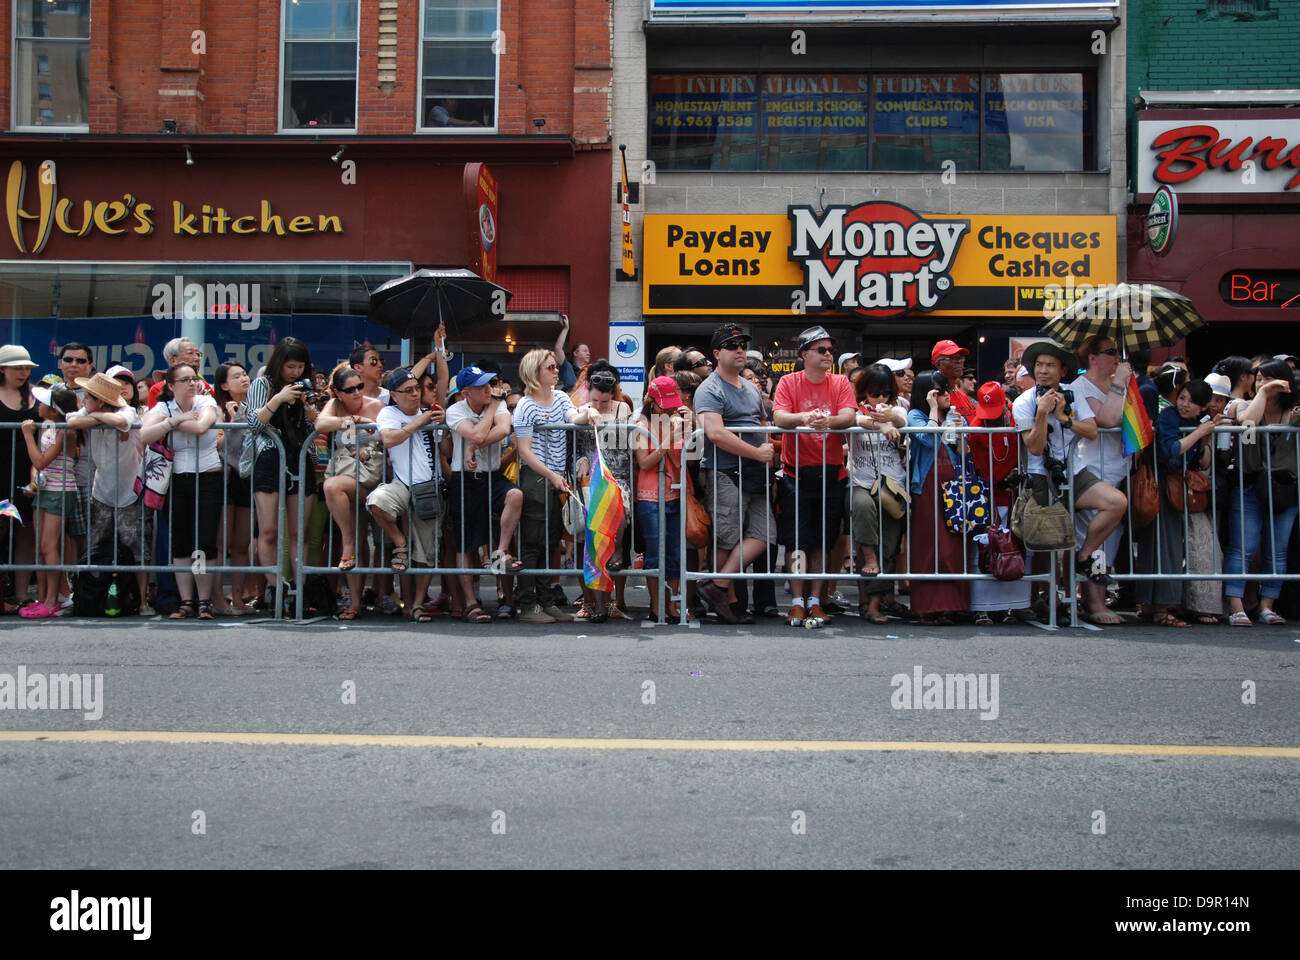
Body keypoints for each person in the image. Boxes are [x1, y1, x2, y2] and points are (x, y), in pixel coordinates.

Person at [1012, 340, 1127, 609]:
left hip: (1074, 470)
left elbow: (1091, 430)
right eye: (1039, 365)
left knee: (1116, 502)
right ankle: (1048, 599)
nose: (1043, 370)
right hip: (1041, 475)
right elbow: (1036, 447)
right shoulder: (1023, 402)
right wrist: (1042, 413)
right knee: (1048, 540)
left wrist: (1064, 417)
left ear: (1063, 371)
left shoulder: (1070, 393)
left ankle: (1085, 556)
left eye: (1050, 365)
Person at [693, 324, 778, 625]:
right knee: (726, 539)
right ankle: (724, 599)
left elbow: (763, 423)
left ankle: (716, 585)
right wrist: (757, 452)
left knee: (765, 534)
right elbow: (714, 433)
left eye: (742, 344)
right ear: (717, 354)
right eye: (732, 345)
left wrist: (766, 451)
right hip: (726, 471)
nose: (740, 349)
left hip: (755, 471)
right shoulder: (709, 389)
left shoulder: (752, 387)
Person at [772, 325, 856, 628]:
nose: (828, 354)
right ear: (804, 354)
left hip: (832, 473)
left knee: (823, 541)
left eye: (830, 350)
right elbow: (779, 417)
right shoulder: (788, 381)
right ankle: (796, 602)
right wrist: (805, 418)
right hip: (796, 474)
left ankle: (816, 601)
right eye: (821, 350)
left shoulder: (841, 381)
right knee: (797, 542)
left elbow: (849, 416)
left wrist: (829, 421)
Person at [512, 348, 597, 623]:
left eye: (555, 367)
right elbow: (524, 451)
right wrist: (550, 475)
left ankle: (546, 601)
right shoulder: (525, 405)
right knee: (532, 542)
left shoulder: (560, 397)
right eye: (550, 367)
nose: (556, 370)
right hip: (537, 478)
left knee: (551, 541)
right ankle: (527, 604)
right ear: (535, 372)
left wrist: (589, 413)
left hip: (557, 476)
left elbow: (573, 418)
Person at [1138, 380, 1223, 627]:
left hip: (1181, 486)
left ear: (1203, 407)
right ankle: (1160, 608)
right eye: (1183, 397)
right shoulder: (1169, 416)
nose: (1185, 405)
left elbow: (1204, 464)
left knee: (1170, 545)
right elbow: (1172, 449)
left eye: (1192, 401)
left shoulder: (1199, 424)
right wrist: (1199, 433)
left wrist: (1205, 439)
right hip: (1162, 483)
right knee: (1164, 546)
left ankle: (1157, 605)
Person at [141, 363, 222, 620]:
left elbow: (202, 427)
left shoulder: (206, 401)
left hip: (208, 475)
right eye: (184, 379)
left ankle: (204, 601)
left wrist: (166, 425)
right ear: (171, 385)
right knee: (181, 543)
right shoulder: (164, 407)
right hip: (176, 477)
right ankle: (186, 601)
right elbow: (144, 434)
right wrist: (174, 420)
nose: (191, 383)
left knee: (205, 541)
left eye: (193, 378)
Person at [1222, 358, 1300, 626]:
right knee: (1243, 547)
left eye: (1268, 379)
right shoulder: (1245, 404)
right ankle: (1236, 606)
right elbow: (1247, 423)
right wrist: (1264, 394)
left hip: (1285, 488)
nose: (1262, 384)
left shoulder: (1295, 412)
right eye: (1259, 380)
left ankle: (1267, 605)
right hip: (1249, 485)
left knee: (1277, 550)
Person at [444, 364, 524, 623]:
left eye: (490, 384)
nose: (489, 390)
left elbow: (503, 430)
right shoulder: (455, 410)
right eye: (482, 387)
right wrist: (491, 410)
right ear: (467, 392)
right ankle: (470, 602)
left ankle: (500, 551)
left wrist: (472, 447)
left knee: (515, 496)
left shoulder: (497, 403)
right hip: (464, 479)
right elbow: (477, 432)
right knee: (465, 543)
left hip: (491, 474)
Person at [66, 371, 151, 615]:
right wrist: (97, 417)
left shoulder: (128, 411)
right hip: (101, 490)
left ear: (101, 401)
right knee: (95, 546)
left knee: (137, 548)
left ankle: (143, 600)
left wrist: (97, 417)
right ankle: (91, 598)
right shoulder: (89, 410)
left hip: (130, 492)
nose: (83, 401)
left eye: (88, 397)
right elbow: (72, 420)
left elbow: (120, 422)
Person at [366, 368, 445, 623]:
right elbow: (389, 439)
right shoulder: (388, 412)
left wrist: (443, 424)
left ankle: (418, 603)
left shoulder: (429, 413)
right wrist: (420, 422)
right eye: (408, 390)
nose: (414, 394)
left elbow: (446, 449)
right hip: (401, 484)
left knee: (425, 554)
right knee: (377, 502)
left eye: (416, 389)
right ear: (394, 395)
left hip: (429, 487)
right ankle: (399, 542)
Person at [246, 337, 318, 607]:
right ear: (279, 364)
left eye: (300, 367)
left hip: (300, 458)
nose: (296, 372)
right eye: (290, 367)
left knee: (300, 530)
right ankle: (276, 588)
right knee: (269, 531)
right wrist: (278, 399)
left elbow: (315, 426)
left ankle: (299, 587)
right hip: (269, 458)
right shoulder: (262, 384)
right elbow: (253, 423)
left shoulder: (305, 386)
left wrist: (310, 404)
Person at [1069, 336, 1134, 624]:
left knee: (1110, 540)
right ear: (1092, 358)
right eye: (1110, 352)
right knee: (1092, 541)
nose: (1117, 357)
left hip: (1118, 469)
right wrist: (1120, 382)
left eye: (1117, 352)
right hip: (1091, 470)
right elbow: (1106, 419)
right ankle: (1094, 603)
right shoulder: (1079, 387)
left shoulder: (1122, 385)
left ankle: (1095, 597)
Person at [315, 363, 386, 620]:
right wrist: (355, 419)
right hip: (346, 475)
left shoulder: (377, 405)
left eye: (360, 386)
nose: (357, 392)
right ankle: (354, 603)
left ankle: (349, 546)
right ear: (337, 392)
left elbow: (386, 438)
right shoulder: (334, 406)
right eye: (351, 389)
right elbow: (320, 424)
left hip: (371, 475)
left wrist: (367, 448)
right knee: (355, 541)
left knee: (331, 485)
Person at [905, 371, 971, 625]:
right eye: (938, 391)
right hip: (927, 487)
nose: (945, 395)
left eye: (946, 389)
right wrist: (933, 411)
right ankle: (927, 607)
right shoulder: (916, 415)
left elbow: (964, 452)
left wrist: (961, 432)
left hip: (953, 485)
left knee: (953, 547)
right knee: (930, 547)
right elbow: (927, 439)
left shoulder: (954, 416)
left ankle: (954, 605)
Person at [966, 381, 1032, 624]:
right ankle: (981, 607)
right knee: (985, 550)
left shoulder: (1017, 417)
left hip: (1014, 496)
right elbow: (983, 466)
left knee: (1016, 549)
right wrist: (1002, 479)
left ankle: (1012, 606)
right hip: (988, 496)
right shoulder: (976, 427)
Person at [846, 364, 906, 624]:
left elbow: (903, 419)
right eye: (874, 393)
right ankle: (869, 562)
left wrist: (889, 414)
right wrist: (880, 425)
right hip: (861, 480)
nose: (879, 398)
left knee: (890, 546)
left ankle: (873, 604)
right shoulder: (855, 409)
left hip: (892, 484)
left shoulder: (899, 405)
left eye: (884, 393)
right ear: (863, 392)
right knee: (863, 513)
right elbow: (856, 420)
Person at [17, 385, 79, 618]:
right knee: (40, 547)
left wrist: (26, 436)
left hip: (60, 492)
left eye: (43, 403)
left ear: (54, 411)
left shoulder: (66, 431)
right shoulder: (46, 425)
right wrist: (34, 482)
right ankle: (43, 597)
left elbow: (41, 461)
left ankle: (53, 600)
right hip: (44, 490)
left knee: (48, 546)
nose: (38, 405)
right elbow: (39, 467)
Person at [634, 375, 691, 622]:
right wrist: (670, 436)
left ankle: (674, 604)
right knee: (655, 554)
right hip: (649, 498)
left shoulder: (677, 422)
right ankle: (657, 604)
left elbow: (684, 460)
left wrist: (688, 427)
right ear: (653, 402)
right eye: (664, 404)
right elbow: (645, 462)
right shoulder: (640, 425)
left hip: (675, 492)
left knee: (675, 553)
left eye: (672, 404)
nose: (669, 409)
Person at [0, 344, 45, 613]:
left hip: (29, 471)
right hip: (1, 472)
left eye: (26, 367)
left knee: (26, 531)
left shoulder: (36, 396)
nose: (23, 372)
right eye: (17, 367)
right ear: (2, 369)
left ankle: (21, 595)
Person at [148, 338, 208, 408]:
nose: (197, 358)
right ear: (173, 360)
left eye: (198, 354)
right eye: (190, 353)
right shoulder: (157, 390)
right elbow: (157, 418)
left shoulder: (205, 386)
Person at [932, 340, 977, 421]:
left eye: (961, 358)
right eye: (952, 358)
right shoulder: (936, 396)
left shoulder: (962, 395)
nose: (959, 361)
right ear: (938, 364)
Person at [554, 313, 590, 391]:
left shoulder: (591, 371)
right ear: (575, 353)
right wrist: (566, 328)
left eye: (588, 351)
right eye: (585, 351)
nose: (588, 353)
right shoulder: (567, 367)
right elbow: (558, 348)